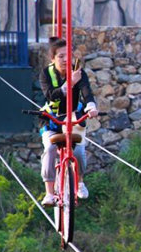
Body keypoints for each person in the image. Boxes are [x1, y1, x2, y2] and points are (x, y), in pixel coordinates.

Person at [39, 37, 98, 206]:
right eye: (61, 56)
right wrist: (69, 83)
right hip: (52, 120)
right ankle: (49, 192)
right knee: (50, 148)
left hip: (73, 119)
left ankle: (79, 182)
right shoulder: (46, 74)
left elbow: (87, 93)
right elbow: (50, 95)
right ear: (53, 59)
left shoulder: (78, 72)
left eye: (68, 55)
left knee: (78, 151)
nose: (66, 59)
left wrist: (91, 106)